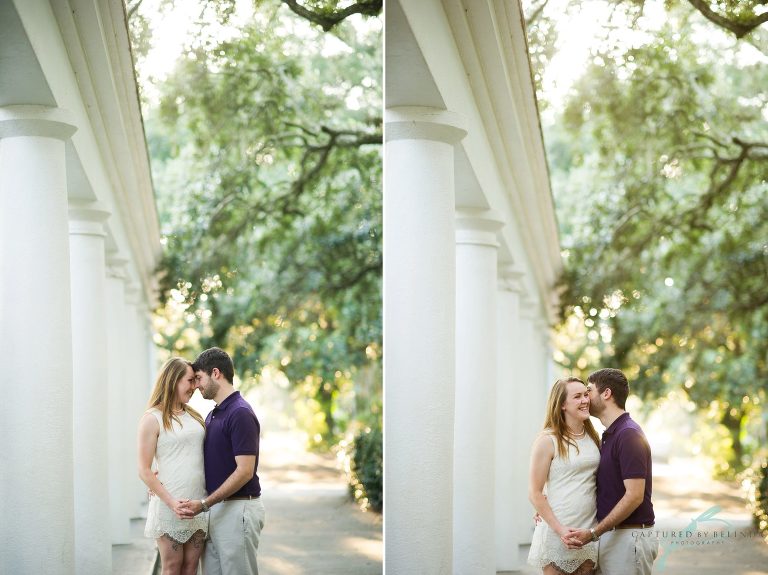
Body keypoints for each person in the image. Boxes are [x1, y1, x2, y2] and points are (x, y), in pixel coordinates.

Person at [179, 347, 266, 575]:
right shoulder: (213, 414)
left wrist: (206, 503)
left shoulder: (240, 413)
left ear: (215, 373)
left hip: (238, 509)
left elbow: (245, 471)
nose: (196, 385)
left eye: (199, 378)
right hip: (216, 509)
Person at [564, 368, 658, 575]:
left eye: (588, 391)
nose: (585, 398)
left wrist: (593, 533)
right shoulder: (609, 435)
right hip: (611, 536)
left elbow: (634, 496)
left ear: (606, 393)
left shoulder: (628, 435)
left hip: (628, 538)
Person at [138, 357, 208, 575]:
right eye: (190, 381)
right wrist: (172, 503)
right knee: (172, 567)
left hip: (197, 503)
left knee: (190, 568)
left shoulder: (194, 416)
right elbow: (144, 470)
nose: (195, 386)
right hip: (170, 505)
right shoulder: (152, 418)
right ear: (173, 380)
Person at [528, 377, 601, 575]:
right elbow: (534, 492)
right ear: (562, 405)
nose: (585, 400)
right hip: (558, 533)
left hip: (588, 533)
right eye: (577, 397)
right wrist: (560, 530)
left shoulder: (594, 438)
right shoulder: (547, 440)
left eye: (586, 394)